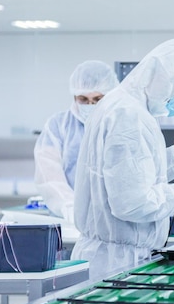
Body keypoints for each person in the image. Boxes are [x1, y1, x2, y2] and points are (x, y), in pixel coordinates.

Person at [71, 38, 174, 280]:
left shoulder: (122, 105)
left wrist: (173, 158)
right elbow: (131, 203)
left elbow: (124, 175)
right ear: (168, 80)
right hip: (118, 264)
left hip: (111, 257)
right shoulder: (130, 116)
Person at [33, 60, 119, 226]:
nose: (90, 105)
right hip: (68, 222)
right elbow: (48, 174)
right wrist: (69, 206)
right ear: (74, 97)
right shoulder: (58, 126)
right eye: (83, 99)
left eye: (97, 99)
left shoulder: (119, 123)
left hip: (113, 221)